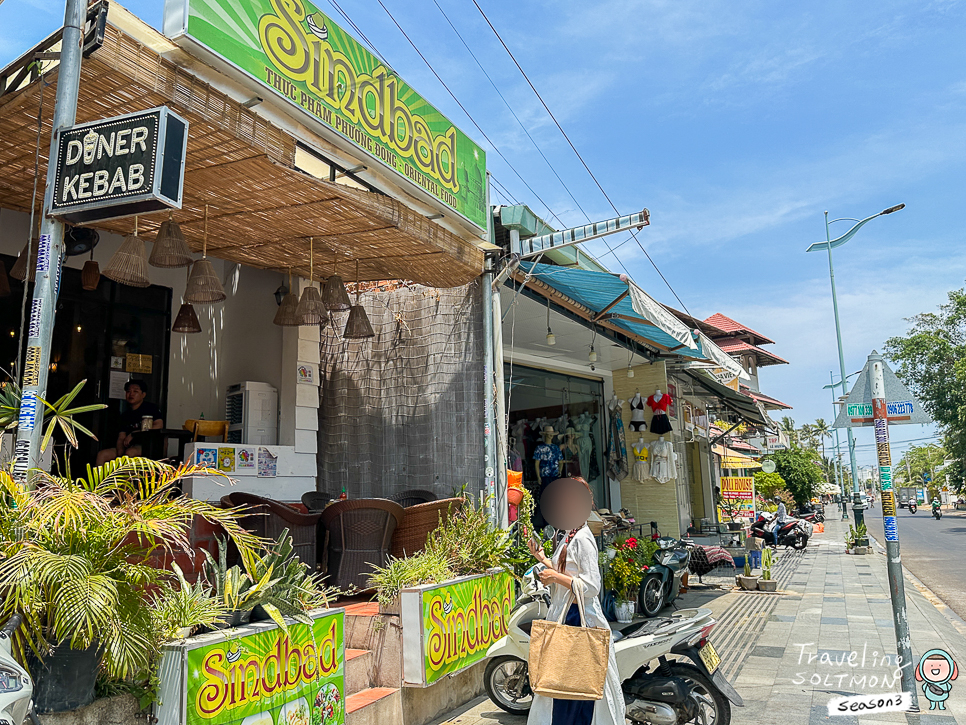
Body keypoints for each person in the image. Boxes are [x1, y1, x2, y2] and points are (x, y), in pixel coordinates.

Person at [527, 477, 623, 725]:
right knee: (562, 683)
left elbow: (591, 586)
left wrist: (555, 577)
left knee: (573, 686)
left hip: (577, 619)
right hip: (567, 614)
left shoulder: (582, 538)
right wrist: (543, 559)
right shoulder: (570, 534)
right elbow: (569, 572)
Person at [96, 380, 163, 465]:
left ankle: (127, 478)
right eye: (128, 391)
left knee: (130, 453)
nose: (131, 394)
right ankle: (101, 478)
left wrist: (135, 434)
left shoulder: (151, 408)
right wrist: (120, 453)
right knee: (102, 455)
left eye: (135, 391)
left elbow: (159, 425)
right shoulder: (125, 414)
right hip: (128, 447)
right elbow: (121, 437)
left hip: (147, 446)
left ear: (143, 394)